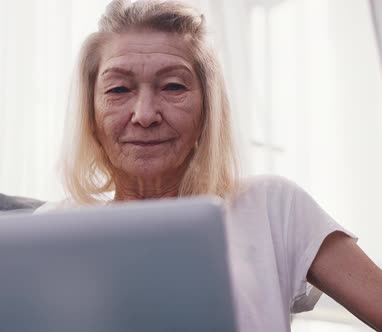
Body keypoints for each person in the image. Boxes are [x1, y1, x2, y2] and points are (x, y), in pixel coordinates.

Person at [35, 0, 382, 330]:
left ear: (207, 111)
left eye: (173, 86)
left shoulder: (271, 205)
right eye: (118, 89)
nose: (144, 115)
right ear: (91, 114)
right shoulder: (51, 227)